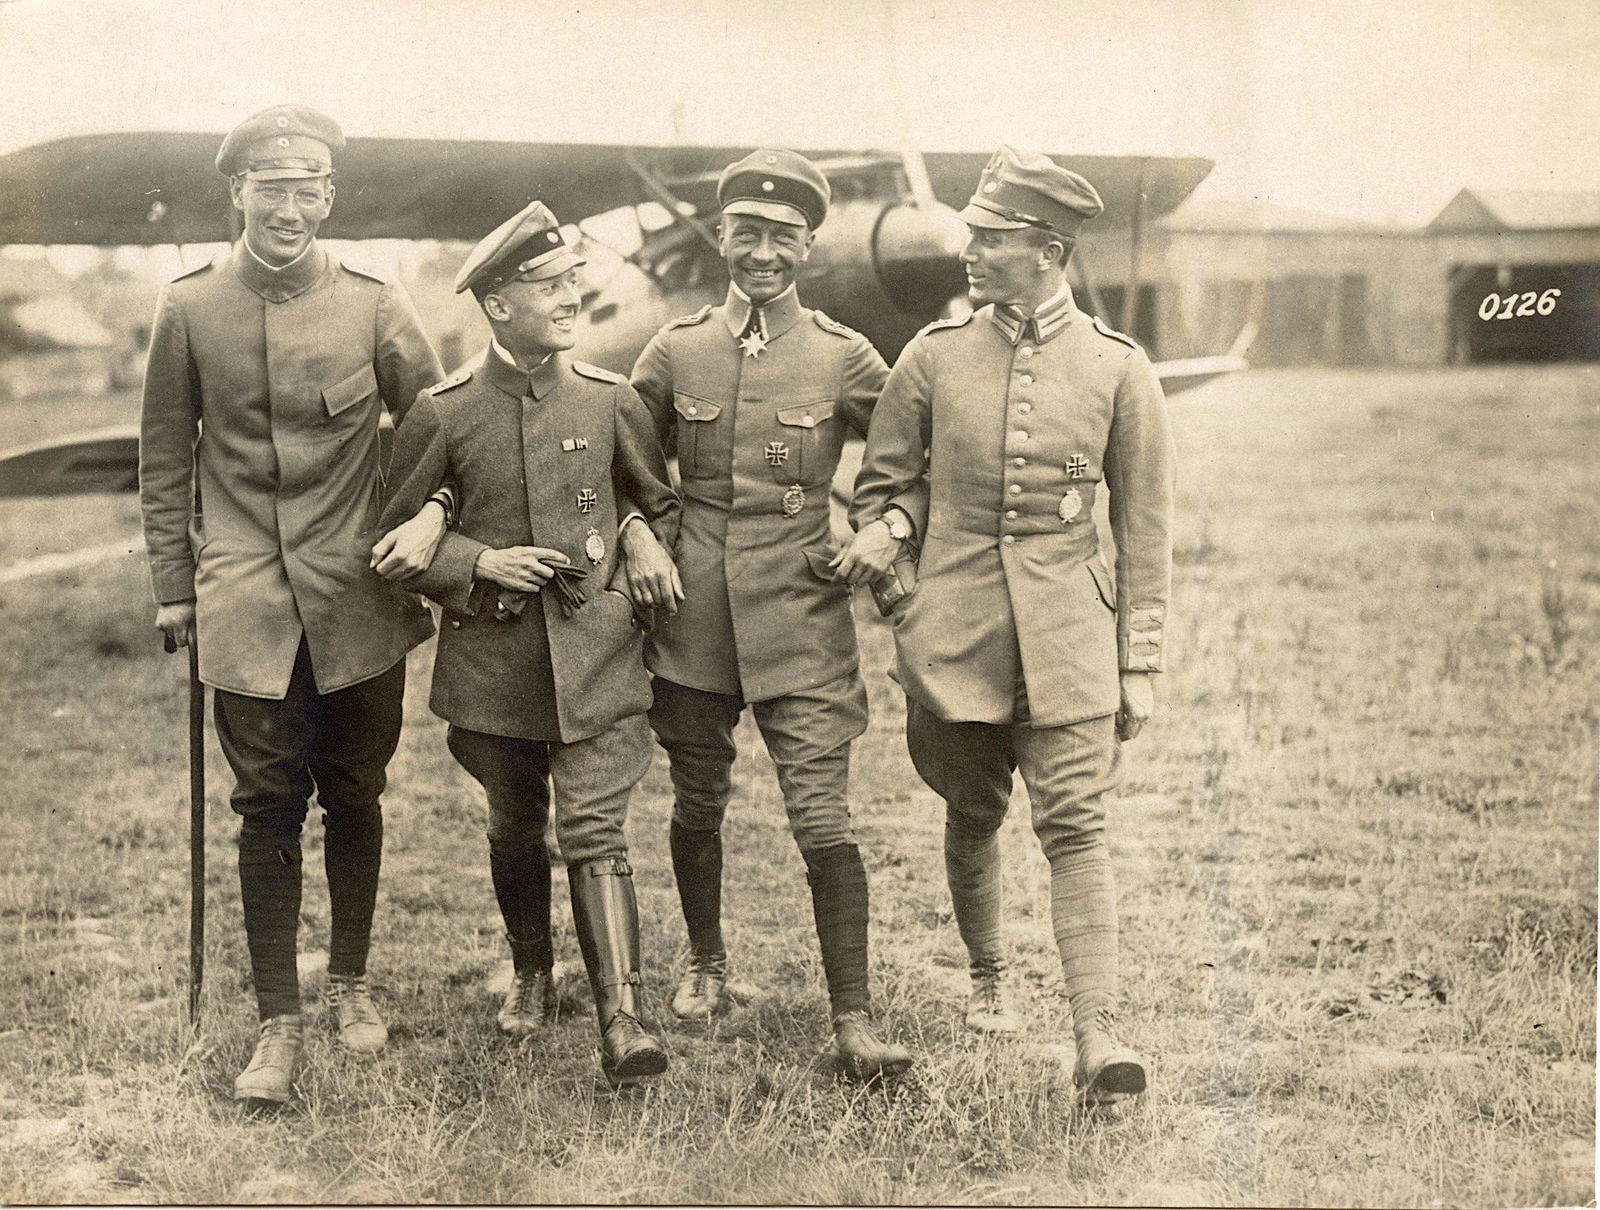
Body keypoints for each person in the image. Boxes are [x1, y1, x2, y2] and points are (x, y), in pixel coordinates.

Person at [836, 145, 1175, 1104]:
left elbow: (1144, 526)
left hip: (1071, 643)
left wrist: (1138, 662)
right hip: (955, 641)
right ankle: (988, 975)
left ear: (1050, 250)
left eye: (992, 239)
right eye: (974, 234)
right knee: (974, 811)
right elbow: (881, 492)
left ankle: (1098, 1033)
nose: (970, 251)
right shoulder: (931, 358)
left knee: (1077, 826)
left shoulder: (1119, 370)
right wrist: (902, 601)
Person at [138, 105, 446, 1107]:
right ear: (238, 194)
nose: (288, 208)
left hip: (360, 595)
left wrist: (426, 518)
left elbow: (438, 425)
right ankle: (279, 1019)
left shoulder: (372, 302)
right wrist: (175, 587)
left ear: (329, 196)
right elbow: (160, 457)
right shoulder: (188, 307)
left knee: (356, 789)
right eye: (268, 188)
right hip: (245, 599)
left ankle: (349, 980)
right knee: (265, 799)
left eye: (306, 187)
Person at [375, 200, 682, 1088]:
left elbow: (657, 503)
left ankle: (621, 1018)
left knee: (594, 828)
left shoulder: (609, 396)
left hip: (598, 652)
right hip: (495, 667)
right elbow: (394, 544)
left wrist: (639, 538)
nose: (569, 297)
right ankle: (531, 970)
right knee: (516, 823)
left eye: (571, 282)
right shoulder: (445, 411)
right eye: (548, 286)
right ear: (498, 305)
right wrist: (479, 560)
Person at [628, 148, 913, 1080]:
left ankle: (856, 1021)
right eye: (747, 233)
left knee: (822, 814)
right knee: (697, 793)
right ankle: (707, 964)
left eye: (782, 237)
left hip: (804, 609)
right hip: (694, 612)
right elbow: (621, 462)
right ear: (721, 238)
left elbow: (913, 454)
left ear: (808, 245)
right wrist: (640, 532)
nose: (763, 253)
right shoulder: (676, 348)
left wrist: (883, 528)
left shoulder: (843, 353)